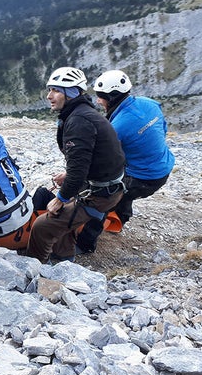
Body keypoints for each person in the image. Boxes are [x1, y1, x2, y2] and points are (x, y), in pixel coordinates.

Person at [27, 67, 126, 263]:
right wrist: (68, 177)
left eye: (55, 90)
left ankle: (33, 268)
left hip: (100, 194)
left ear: (70, 93)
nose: (49, 96)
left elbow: (78, 171)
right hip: (104, 185)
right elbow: (90, 158)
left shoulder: (78, 121)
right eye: (50, 90)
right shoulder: (81, 113)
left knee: (42, 226)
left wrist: (61, 198)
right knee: (61, 215)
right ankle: (63, 259)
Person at [75, 70, 175, 253]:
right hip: (164, 166)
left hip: (145, 178)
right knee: (125, 186)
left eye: (101, 97)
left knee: (106, 192)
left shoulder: (116, 127)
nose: (98, 101)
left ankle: (85, 244)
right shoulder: (149, 104)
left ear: (111, 98)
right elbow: (163, 129)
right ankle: (120, 217)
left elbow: (103, 161)